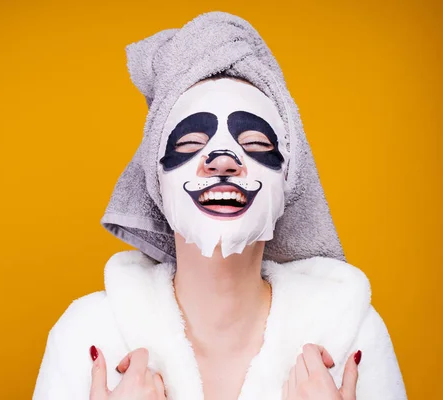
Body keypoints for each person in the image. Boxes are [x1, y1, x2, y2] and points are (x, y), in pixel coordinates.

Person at [33, 11, 407, 400]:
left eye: (258, 144)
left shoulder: (351, 334)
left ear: (289, 181)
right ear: (156, 180)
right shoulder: (85, 335)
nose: (224, 159)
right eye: (191, 144)